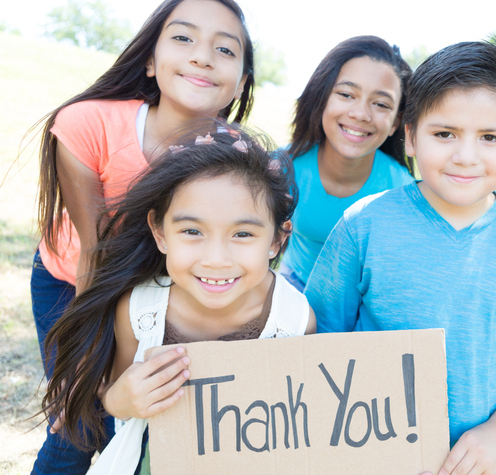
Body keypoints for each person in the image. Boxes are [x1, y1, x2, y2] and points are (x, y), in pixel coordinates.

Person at [305, 41, 496, 475]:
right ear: (409, 136)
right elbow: (320, 340)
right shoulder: (363, 225)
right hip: (363, 453)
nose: (465, 156)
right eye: (444, 134)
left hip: (469, 464)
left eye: (490, 138)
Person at [30, 0, 255, 472]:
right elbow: (94, 255)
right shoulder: (87, 123)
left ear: (240, 83)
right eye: (183, 38)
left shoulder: (235, 154)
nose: (202, 55)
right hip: (74, 283)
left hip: (151, 295)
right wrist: (83, 367)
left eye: (225, 49)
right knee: (79, 417)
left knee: (135, 424)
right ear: (150, 61)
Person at [41, 130, 316, 474]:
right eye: (192, 231)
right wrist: (122, 400)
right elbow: (115, 393)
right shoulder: (140, 310)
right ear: (160, 232)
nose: (217, 259)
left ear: (277, 239)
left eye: (243, 234)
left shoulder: (293, 320)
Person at [279, 36, 416, 292]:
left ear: (395, 124)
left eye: (380, 104)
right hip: (291, 288)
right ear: (322, 100)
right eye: (346, 94)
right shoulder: (280, 168)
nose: (360, 114)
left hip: (361, 307)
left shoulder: (404, 192)